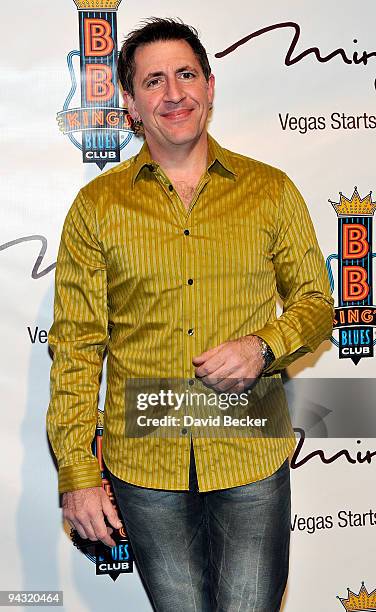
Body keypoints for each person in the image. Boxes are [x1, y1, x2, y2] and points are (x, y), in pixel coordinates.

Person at [47, 17, 334, 612]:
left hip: (249, 449)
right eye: (153, 81)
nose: (172, 94)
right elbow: (75, 346)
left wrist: (263, 345)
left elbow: (315, 302)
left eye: (185, 75)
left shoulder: (270, 190)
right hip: (145, 462)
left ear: (209, 85)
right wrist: (78, 472)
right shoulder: (97, 208)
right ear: (129, 103)